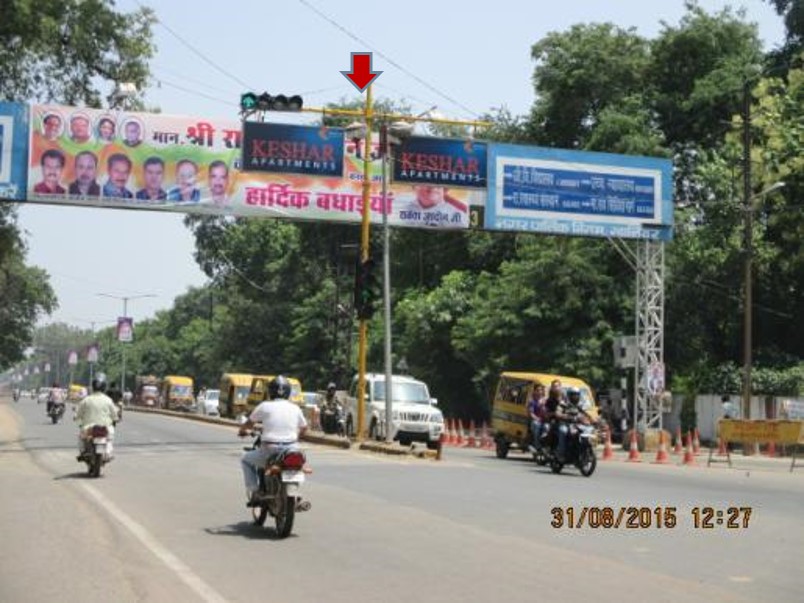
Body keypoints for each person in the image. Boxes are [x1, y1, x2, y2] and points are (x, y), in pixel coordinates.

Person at [238, 375, 307, 504]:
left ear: (270, 391)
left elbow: (248, 424)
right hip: (291, 449)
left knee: (245, 459)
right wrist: (297, 437)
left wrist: (243, 431)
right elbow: (304, 427)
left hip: (270, 449)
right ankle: (296, 493)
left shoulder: (264, 406)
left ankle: (255, 491)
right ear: (288, 392)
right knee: (297, 465)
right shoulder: (295, 408)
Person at [74, 376, 119, 460]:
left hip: (88, 428)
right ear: (104, 387)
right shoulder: (108, 400)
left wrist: (76, 417)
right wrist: (116, 419)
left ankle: (83, 452)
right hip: (105, 428)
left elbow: (78, 414)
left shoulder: (86, 400)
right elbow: (114, 415)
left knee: (81, 437)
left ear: (93, 387)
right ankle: (108, 453)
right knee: (110, 437)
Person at [398, 184, 469, 227]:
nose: (430, 188)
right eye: (423, 183)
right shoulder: (401, 205)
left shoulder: (457, 215)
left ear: (445, 190)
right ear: (414, 187)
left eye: (437, 186)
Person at [543, 381, 569, 462]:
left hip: (566, 419)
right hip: (554, 420)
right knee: (551, 428)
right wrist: (554, 413)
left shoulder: (566, 398)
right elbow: (546, 414)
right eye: (554, 386)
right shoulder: (550, 400)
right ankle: (551, 448)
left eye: (558, 386)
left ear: (561, 387)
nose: (556, 388)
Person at [527, 383, 547, 451]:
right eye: (538, 390)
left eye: (541, 390)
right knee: (537, 425)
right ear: (535, 391)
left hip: (544, 420)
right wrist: (537, 419)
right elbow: (531, 413)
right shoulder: (532, 401)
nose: (539, 392)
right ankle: (536, 444)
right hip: (535, 420)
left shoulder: (545, 400)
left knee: (547, 427)